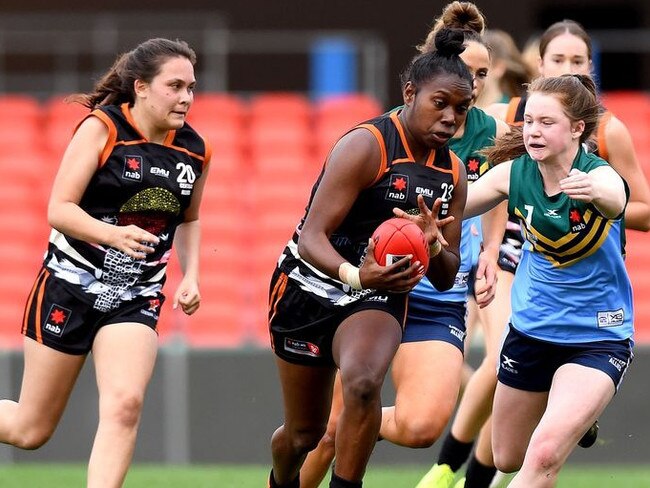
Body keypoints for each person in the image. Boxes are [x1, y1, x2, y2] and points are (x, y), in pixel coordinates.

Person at [420, 18, 650, 488]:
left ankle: (571, 408)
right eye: (529, 123)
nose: (533, 131)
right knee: (507, 455)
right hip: (533, 330)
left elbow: (619, 197)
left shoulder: (598, 170)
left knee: (542, 455)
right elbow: (459, 205)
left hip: (597, 334)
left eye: (547, 123)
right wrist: (424, 215)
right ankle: (569, 411)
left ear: (577, 129)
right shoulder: (513, 174)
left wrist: (600, 194)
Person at [297, 3, 508, 487]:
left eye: (480, 77)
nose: (470, 87)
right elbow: (320, 227)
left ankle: (357, 423)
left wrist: (485, 248)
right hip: (371, 285)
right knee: (327, 430)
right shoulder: (380, 137)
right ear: (419, 85)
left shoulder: (490, 131)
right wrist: (358, 268)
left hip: (438, 291)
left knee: (420, 428)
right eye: (464, 73)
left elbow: (504, 187)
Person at [267, 28, 474, 488]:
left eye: (462, 109)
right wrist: (357, 274)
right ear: (410, 93)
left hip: (376, 295)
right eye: (440, 102)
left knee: (362, 384)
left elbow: (444, 277)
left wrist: (434, 241)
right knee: (304, 435)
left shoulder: (452, 173)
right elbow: (311, 239)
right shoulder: (367, 145)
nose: (450, 118)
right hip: (308, 287)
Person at [0, 38, 209, 487]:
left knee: (125, 405)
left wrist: (191, 275)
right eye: (175, 86)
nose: (187, 97)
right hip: (69, 284)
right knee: (29, 429)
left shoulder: (195, 149)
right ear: (142, 87)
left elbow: (189, 219)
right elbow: (59, 208)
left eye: (192, 87)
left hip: (135, 296)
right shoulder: (103, 128)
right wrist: (113, 234)